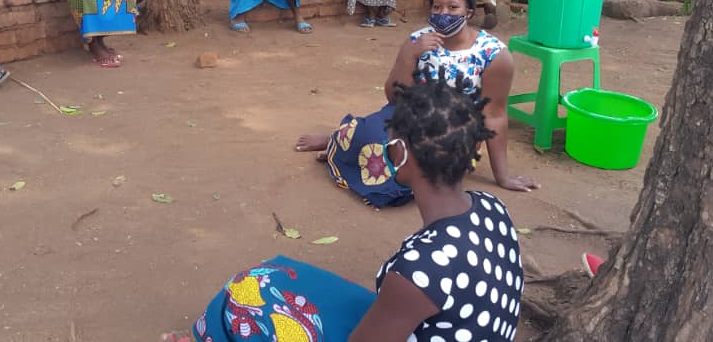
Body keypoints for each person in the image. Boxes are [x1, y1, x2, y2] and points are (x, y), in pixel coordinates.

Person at [173, 77, 524, 342]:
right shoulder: (493, 208)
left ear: (399, 152)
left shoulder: (418, 271)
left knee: (239, 300)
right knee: (273, 273)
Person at [295, 0, 540, 203]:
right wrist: (409, 56)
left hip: (454, 135)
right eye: (437, 7)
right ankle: (337, 139)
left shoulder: (494, 54)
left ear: (469, 11)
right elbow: (393, 98)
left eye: (453, 7)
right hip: (409, 118)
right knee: (369, 135)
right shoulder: (417, 40)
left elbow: (494, 116)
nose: (443, 13)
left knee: (411, 166)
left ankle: (345, 144)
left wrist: (502, 176)